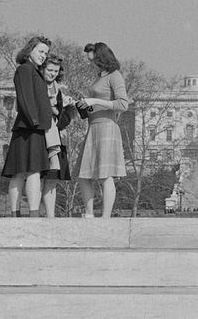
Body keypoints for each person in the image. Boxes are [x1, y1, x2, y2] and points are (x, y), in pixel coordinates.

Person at [0, 36, 54, 217]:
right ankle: (22, 213)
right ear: (30, 50)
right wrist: (35, 122)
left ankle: (31, 213)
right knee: (22, 172)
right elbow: (25, 98)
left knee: (31, 172)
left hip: (34, 127)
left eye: (46, 53)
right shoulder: (24, 69)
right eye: (40, 51)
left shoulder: (34, 71)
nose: (44, 56)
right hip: (29, 128)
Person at [75, 42, 130, 218]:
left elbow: (123, 104)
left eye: (95, 61)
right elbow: (96, 104)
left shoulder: (115, 76)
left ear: (103, 59)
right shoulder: (99, 77)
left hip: (107, 128)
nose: (92, 65)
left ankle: (105, 217)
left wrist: (95, 101)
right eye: (90, 61)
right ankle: (89, 213)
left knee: (105, 175)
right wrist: (83, 105)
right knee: (84, 175)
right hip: (93, 127)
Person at [39, 54, 79, 217]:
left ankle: (50, 216)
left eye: (56, 71)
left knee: (51, 180)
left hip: (55, 136)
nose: (53, 73)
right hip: (40, 135)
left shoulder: (60, 91)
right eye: (50, 70)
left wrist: (69, 110)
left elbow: (65, 117)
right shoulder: (37, 85)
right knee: (36, 178)